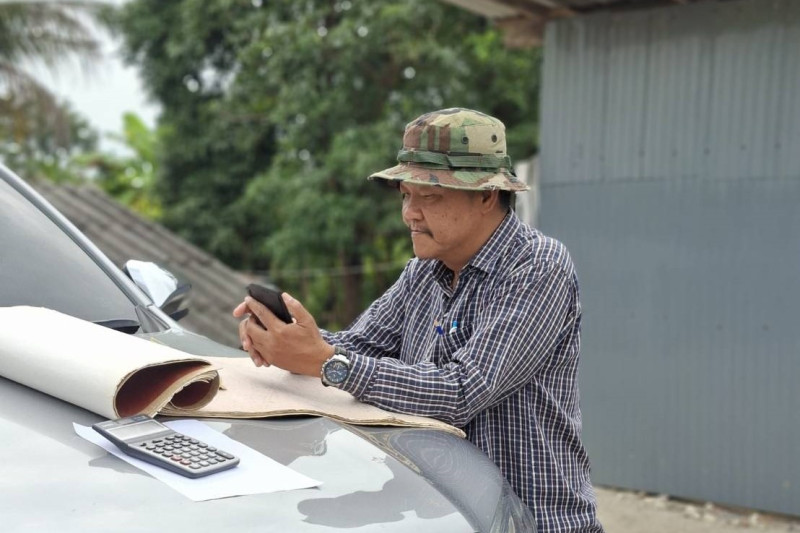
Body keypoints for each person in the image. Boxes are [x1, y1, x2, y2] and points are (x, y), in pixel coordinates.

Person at [234, 108, 604, 532]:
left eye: (429, 197)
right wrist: (285, 338)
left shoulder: (537, 266)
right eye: (405, 195)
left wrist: (326, 362)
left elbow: (463, 391)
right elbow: (358, 346)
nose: (410, 213)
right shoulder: (424, 271)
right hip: (445, 517)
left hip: (534, 521)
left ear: (486, 195)